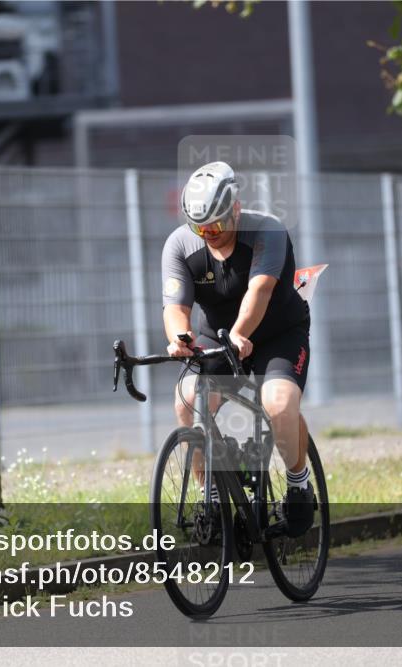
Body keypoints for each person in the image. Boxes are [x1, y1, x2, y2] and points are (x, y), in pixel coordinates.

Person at [160, 160, 314, 536]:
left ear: (236, 210)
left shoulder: (267, 232)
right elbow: (175, 308)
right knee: (187, 400)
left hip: (278, 334)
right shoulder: (180, 245)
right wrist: (180, 337)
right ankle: (211, 495)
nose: (208, 234)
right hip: (218, 336)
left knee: (279, 403)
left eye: (215, 225)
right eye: (199, 227)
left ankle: (299, 483)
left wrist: (240, 333)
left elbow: (259, 292)